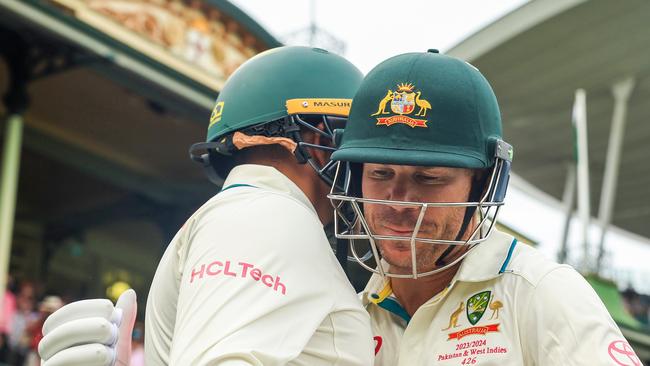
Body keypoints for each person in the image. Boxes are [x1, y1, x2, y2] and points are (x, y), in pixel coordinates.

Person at [38, 46, 374, 365]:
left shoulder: (247, 211)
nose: (364, 171)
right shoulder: (268, 213)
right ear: (320, 141)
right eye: (353, 147)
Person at [327, 49, 639, 365]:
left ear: (484, 182)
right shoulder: (350, 317)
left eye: (428, 177)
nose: (399, 202)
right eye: (381, 174)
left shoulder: (539, 292)